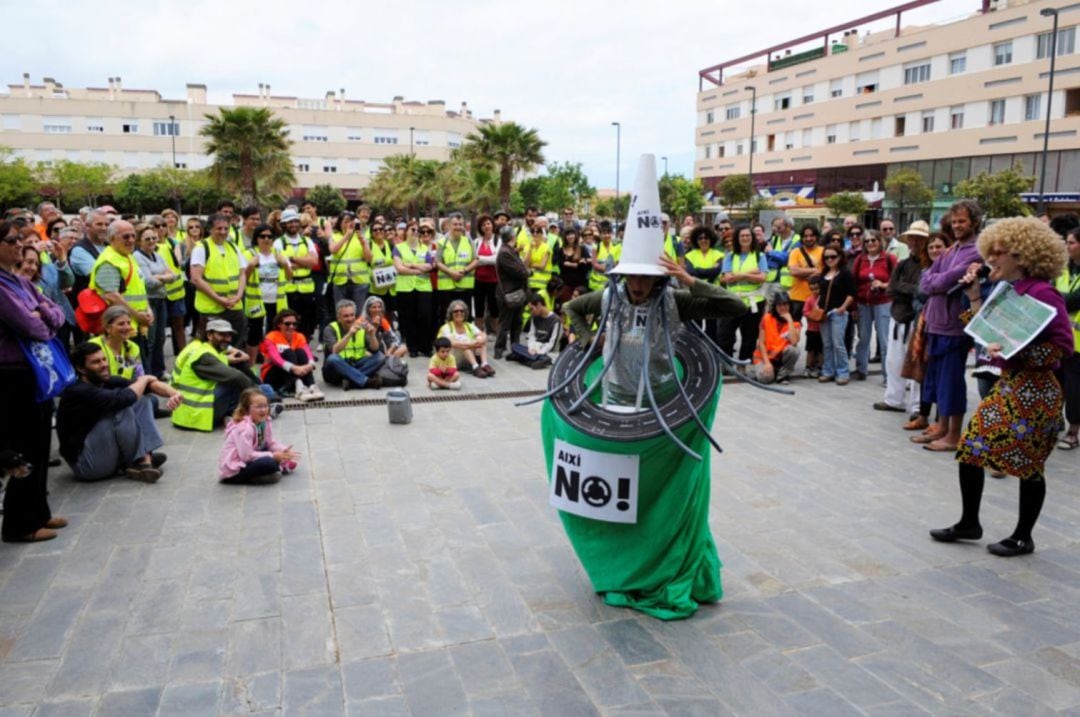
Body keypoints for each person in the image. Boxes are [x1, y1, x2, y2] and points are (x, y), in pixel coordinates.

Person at [931, 217, 1073, 557]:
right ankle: (969, 522)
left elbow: (1062, 347)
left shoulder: (1044, 292)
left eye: (999, 251)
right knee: (971, 448)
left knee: (1030, 463)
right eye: (990, 250)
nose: (991, 257)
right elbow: (989, 331)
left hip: (1037, 390)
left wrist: (1019, 350)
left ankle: (1023, 536)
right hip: (1010, 385)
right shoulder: (1012, 289)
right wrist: (974, 295)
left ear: (1022, 256)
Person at [0, 220, 67, 542]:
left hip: (35, 372)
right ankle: (19, 524)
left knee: (40, 443)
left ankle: (39, 512)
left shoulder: (18, 281)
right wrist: (40, 315)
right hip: (13, 376)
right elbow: (33, 326)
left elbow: (55, 313)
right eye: (11, 240)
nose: (18, 244)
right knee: (24, 445)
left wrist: (41, 311)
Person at [57, 342, 181, 483]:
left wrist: (174, 393)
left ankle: (143, 457)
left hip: (104, 452)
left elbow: (146, 386)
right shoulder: (78, 391)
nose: (104, 364)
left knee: (142, 400)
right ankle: (140, 461)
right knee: (122, 407)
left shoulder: (107, 380)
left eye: (104, 359)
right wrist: (145, 378)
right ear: (81, 368)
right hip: (87, 465)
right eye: (96, 362)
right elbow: (126, 397)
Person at [917, 200, 983, 451]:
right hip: (936, 322)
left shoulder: (975, 251)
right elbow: (928, 279)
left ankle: (954, 435)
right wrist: (936, 281)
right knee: (937, 381)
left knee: (951, 381)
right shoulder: (951, 248)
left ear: (974, 222)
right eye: (954, 221)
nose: (956, 226)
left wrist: (936, 281)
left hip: (954, 326)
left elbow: (940, 281)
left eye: (962, 221)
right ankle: (942, 428)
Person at [172, 319, 269, 431]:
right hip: (195, 415)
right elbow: (236, 377)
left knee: (262, 387)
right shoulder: (204, 356)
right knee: (236, 382)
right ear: (209, 335)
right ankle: (262, 404)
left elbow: (241, 358)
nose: (227, 339)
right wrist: (260, 398)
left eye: (229, 335)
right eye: (222, 334)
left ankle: (238, 411)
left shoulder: (207, 348)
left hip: (192, 410)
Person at [876, 221, 930, 415]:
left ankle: (917, 406)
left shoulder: (929, 265)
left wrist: (904, 287)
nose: (914, 242)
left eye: (919, 238)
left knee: (915, 364)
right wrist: (909, 289)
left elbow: (922, 292)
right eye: (912, 238)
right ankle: (894, 399)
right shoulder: (903, 264)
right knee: (893, 361)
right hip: (898, 317)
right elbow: (891, 289)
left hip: (917, 320)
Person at [89, 220, 154, 342]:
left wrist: (147, 310)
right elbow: (112, 296)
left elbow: (139, 288)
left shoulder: (127, 256)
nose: (131, 240)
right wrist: (138, 316)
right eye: (126, 236)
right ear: (112, 238)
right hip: (120, 329)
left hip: (135, 325)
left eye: (133, 235)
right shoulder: (108, 261)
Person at [219, 388, 300, 485]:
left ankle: (274, 468)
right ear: (246, 409)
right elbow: (246, 456)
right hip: (235, 469)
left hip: (251, 454)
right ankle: (254, 477)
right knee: (269, 463)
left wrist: (283, 451)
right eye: (259, 407)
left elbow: (269, 443)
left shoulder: (264, 421)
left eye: (265, 406)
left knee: (272, 457)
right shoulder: (245, 428)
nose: (263, 410)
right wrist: (273, 456)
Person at [190, 213, 248, 338]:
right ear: (210, 229)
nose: (223, 232)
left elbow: (242, 274)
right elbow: (196, 278)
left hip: (234, 307)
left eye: (226, 229)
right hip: (212, 309)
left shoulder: (233, 247)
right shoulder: (202, 248)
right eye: (219, 228)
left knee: (235, 343)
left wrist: (238, 296)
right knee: (214, 346)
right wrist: (219, 299)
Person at [851, 229, 897, 382]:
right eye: (867, 241)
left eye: (873, 240)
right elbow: (854, 283)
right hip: (863, 303)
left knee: (884, 340)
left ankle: (887, 375)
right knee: (863, 338)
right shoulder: (860, 259)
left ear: (880, 241)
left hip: (883, 303)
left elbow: (897, 281)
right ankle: (861, 369)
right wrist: (853, 306)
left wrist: (883, 285)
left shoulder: (889, 259)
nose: (870, 243)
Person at [718, 225, 768, 363]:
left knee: (750, 335)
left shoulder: (760, 256)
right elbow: (727, 278)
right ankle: (726, 363)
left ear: (752, 238)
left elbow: (763, 277)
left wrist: (740, 275)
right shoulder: (730, 256)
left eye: (748, 236)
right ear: (737, 239)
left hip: (754, 301)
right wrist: (752, 273)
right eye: (742, 236)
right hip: (732, 300)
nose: (745, 238)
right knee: (725, 333)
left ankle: (743, 363)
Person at [244, 224, 291, 363]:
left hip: (276, 301)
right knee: (254, 332)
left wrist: (286, 265)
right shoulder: (249, 254)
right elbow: (243, 278)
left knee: (274, 333)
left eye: (269, 236)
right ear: (256, 238)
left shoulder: (278, 254)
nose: (266, 239)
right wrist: (251, 266)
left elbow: (289, 277)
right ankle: (251, 364)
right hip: (256, 301)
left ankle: (270, 362)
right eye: (262, 236)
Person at [133, 223, 174, 377]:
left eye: (153, 238)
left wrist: (159, 277)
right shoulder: (137, 257)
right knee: (149, 341)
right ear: (139, 241)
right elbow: (148, 283)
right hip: (149, 302)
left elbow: (174, 275)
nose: (151, 241)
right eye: (147, 238)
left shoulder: (157, 255)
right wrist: (165, 277)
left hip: (161, 300)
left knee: (160, 338)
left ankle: (159, 370)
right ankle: (148, 375)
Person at [274, 209, 319, 340]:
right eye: (289, 222)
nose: (293, 224)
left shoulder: (307, 241)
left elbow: (314, 262)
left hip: (307, 289)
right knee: (289, 323)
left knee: (307, 323)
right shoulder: (278, 243)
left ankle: (305, 349)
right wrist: (305, 261)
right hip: (289, 289)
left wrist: (292, 259)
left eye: (295, 221)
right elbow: (282, 264)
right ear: (283, 224)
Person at [261, 309, 325, 401]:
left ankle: (311, 385)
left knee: (300, 352)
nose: (291, 327)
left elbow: (307, 351)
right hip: (272, 375)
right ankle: (298, 386)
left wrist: (310, 364)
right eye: (287, 324)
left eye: (294, 324)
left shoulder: (299, 336)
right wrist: (294, 368)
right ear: (279, 324)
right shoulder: (270, 337)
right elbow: (275, 358)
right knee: (288, 352)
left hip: (292, 373)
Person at [321, 299, 384, 390]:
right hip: (336, 369)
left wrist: (372, 335)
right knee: (332, 358)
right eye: (346, 316)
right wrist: (349, 334)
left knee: (380, 357)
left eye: (352, 315)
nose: (350, 319)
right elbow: (334, 350)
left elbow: (375, 349)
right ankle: (366, 381)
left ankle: (351, 381)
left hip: (356, 364)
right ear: (339, 318)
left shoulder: (361, 326)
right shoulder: (330, 329)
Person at [394, 223, 435, 357]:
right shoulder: (398, 248)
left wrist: (411, 265)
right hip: (405, 288)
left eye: (418, 230)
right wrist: (419, 270)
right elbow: (399, 268)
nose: (416, 232)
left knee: (425, 316)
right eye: (413, 229)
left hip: (423, 287)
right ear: (406, 232)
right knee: (408, 318)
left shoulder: (425, 248)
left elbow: (430, 266)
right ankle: (413, 347)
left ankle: (426, 347)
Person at [817, 244, 856, 385]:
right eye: (826, 257)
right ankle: (828, 371)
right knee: (827, 344)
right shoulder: (823, 273)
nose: (829, 259)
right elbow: (821, 293)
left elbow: (852, 293)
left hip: (838, 313)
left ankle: (843, 372)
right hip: (824, 314)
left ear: (839, 257)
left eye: (833, 256)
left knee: (838, 344)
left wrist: (843, 308)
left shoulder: (845, 273)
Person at [1057, 227, 1080, 450]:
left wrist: (1058, 298)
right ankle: (1054, 423)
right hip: (1060, 339)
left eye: (1072, 242)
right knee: (1057, 383)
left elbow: (1073, 300)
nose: (1067, 246)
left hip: (1079, 344)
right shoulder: (1064, 270)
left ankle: (1073, 432)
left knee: (1074, 388)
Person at [434, 213, 477, 325]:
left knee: (465, 318)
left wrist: (465, 270)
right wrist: (451, 272)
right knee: (447, 317)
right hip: (447, 288)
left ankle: (465, 341)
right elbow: (438, 262)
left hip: (465, 287)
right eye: (455, 224)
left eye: (460, 224)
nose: (458, 227)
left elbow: (476, 259)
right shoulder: (442, 242)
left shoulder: (468, 241)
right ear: (449, 225)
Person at [495, 225, 529, 359]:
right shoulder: (505, 252)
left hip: (516, 292)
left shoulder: (509, 250)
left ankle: (516, 348)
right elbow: (519, 271)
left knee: (517, 321)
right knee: (505, 322)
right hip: (509, 293)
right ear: (512, 237)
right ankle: (499, 348)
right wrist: (528, 272)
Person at [752, 292, 801, 385]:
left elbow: (794, 342)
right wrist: (767, 363)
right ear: (775, 306)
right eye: (779, 305)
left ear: (790, 305)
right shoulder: (766, 318)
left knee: (794, 350)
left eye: (785, 304)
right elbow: (761, 343)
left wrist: (790, 320)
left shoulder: (795, 323)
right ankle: (772, 370)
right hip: (763, 357)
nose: (783, 308)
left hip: (779, 357)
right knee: (765, 379)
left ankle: (782, 375)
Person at [438, 299, 494, 377]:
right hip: (451, 359)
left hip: (466, 357)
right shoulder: (447, 327)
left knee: (480, 339)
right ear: (451, 314)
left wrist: (480, 340)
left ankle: (484, 364)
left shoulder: (468, 325)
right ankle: (475, 367)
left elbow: (483, 335)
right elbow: (453, 343)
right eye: (456, 311)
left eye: (462, 311)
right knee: (465, 342)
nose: (459, 313)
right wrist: (471, 344)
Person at [327, 210, 371, 309]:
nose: (348, 224)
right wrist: (347, 235)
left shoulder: (361, 236)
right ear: (340, 223)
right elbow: (333, 250)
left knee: (359, 312)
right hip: (340, 281)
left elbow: (368, 258)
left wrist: (363, 243)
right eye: (345, 221)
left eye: (351, 221)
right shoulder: (334, 236)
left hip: (359, 281)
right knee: (342, 311)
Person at [89, 306, 143, 381]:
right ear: (108, 328)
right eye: (121, 324)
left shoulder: (133, 347)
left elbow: (139, 376)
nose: (127, 327)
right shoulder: (93, 346)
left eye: (129, 323)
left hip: (128, 390)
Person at [510, 293, 562, 369]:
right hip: (535, 348)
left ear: (539, 304)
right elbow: (531, 335)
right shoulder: (534, 317)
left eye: (532, 309)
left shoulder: (556, 320)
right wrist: (531, 348)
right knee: (514, 346)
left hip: (548, 352)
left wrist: (539, 351)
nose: (531, 312)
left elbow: (552, 344)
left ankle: (526, 358)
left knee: (547, 356)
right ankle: (534, 360)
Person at [786, 224, 824, 321]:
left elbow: (823, 272)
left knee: (814, 330)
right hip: (797, 296)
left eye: (811, 236)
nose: (808, 238)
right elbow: (793, 271)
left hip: (816, 297)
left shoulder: (823, 251)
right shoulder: (795, 252)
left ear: (816, 236)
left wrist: (802, 272)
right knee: (794, 327)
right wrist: (814, 270)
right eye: (805, 236)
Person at [473, 215, 500, 333]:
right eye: (483, 225)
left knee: (494, 309)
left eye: (488, 223)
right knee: (479, 308)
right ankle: (478, 332)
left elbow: (497, 260)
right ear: (480, 228)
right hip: (478, 280)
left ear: (493, 225)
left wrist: (480, 260)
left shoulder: (498, 240)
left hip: (494, 280)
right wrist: (485, 259)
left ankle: (498, 333)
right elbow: (473, 259)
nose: (486, 226)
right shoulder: (476, 242)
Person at [553, 226, 591, 309]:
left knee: (579, 309)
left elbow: (586, 266)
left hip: (580, 285)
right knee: (565, 309)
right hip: (566, 285)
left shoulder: (582, 249)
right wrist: (577, 263)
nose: (570, 237)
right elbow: (561, 265)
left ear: (575, 235)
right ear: (565, 237)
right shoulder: (561, 250)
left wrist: (571, 264)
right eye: (568, 235)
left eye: (572, 234)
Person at [802, 276, 824, 378]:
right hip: (812, 329)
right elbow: (805, 312)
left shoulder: (823, 299)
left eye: (817, 288)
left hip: (822, 330)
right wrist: (813, 316)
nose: (815, 291)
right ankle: (808, 367)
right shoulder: (809, 300)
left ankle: (819, 367)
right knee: (810, 350)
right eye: (812, 289)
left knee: (821, 350)